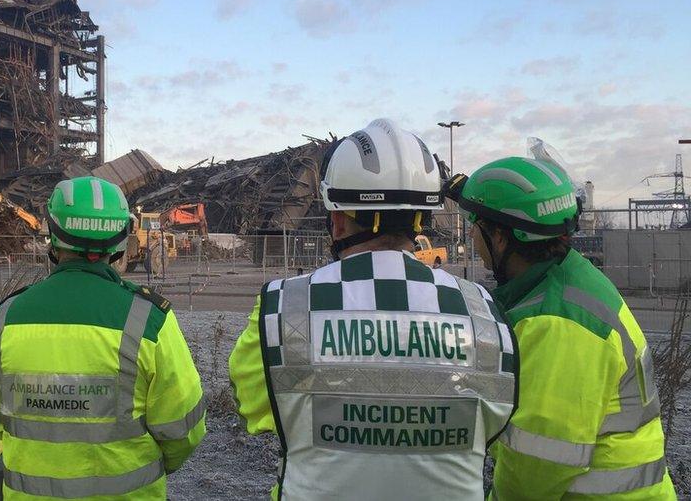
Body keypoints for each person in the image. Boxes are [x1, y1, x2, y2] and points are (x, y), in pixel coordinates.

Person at [229, 119, 517, 500]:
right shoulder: (484, 311)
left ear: (337, 219)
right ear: (422, 218)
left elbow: (256, 409)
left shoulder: (284, 308)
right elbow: (498, 420)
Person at [445, 157, 676, 499]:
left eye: (475, 227)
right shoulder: (566, 279)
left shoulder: (558, 323)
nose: (473, 241)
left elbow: (532, 473)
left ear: (500, 237)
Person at [0, 176, 206, 500]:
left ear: (53, 239)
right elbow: (184, 429)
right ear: (120, 241)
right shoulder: (149, 322)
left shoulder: (2, 320)